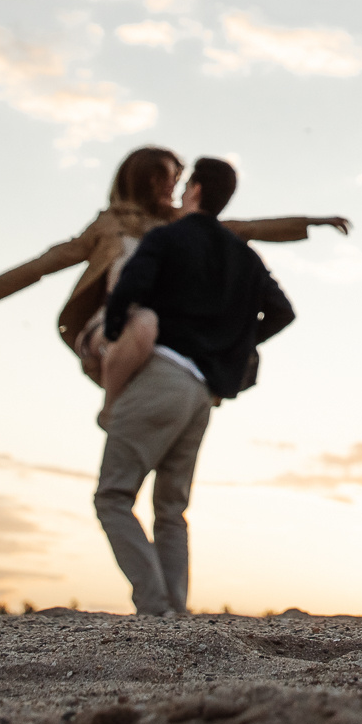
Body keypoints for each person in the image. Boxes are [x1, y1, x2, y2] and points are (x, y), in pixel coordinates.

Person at [0, 145, 345, 386]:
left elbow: (243, 228)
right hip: (119, 319)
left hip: (170, 322)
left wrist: (310, 222)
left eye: (175, 179)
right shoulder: (109, 226)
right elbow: (48, 262)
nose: (171, 187)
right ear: (141, 179)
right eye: (162, 178)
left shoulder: (181, 224)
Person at [93, 157, 293, 617]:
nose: (181, 193)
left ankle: (154, 603)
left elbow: (125, 294)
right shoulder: (245, 256)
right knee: (171, 507)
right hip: (204, 393)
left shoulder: (167, 238)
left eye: (187, 187)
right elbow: (283, 311)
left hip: (162, 374)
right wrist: (232, 342)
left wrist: (116, 340)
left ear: (197, 190)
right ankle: (173, 614)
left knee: (113, 496)